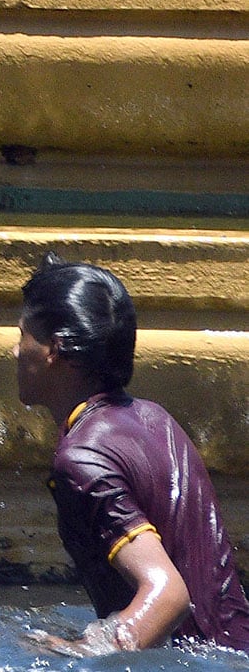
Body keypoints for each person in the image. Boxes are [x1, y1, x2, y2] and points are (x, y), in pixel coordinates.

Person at [15, 258, 249, 655]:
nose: (15, 349)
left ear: (54, 348)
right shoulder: (153, 418)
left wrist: (78, 652)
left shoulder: (82, 460)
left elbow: (168, 595)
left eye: (23, 335)